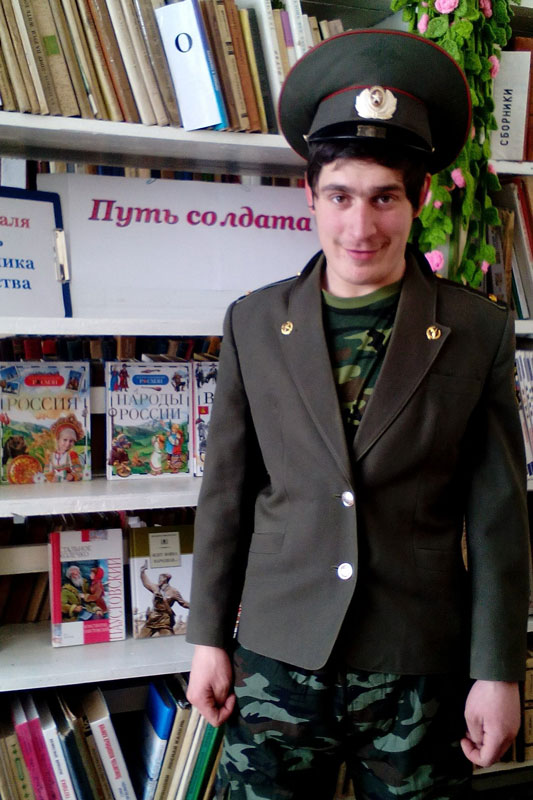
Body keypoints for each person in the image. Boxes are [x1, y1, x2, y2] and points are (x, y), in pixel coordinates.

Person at [185, 29, 531, 800]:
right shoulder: (252, 322)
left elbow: (497, 517)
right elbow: (225, 495)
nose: (360, 227)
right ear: (309, 196)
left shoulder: (475, 329)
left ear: (417, 199)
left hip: (417, 665)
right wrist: (206, 636)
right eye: (340, 196)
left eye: (384, 197)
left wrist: (497, 670)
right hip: (276, 659)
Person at [137, 562, 190, 637]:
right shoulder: (156, 588)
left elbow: (183, 603)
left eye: (160, 578)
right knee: (141, 637)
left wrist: (195, 606)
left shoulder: (174, 591)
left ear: (165, 579)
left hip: (165, 619)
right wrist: (142, 572)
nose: (158, 580)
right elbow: (146, 583)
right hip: (153, 618)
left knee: (169, 639)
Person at [45, 414, 84, 482]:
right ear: (58, 440)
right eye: (65, 440)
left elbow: (79, 473)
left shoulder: (72, 455)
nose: (68, 444)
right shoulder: (50, 456)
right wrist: (50, 477)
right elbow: (46, 472)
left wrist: (72, 476)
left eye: (71, 441)